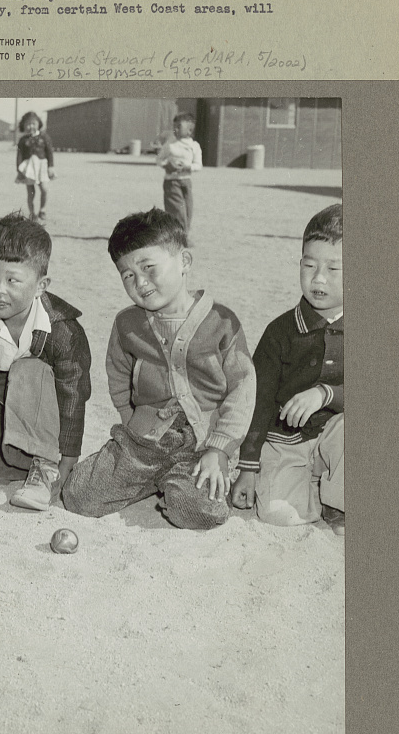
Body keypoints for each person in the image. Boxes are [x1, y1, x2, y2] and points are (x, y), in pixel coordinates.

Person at [62, 208, 256, 529]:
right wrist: (130, 424)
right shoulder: (127, 323)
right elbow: (118, 375)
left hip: (202, 443)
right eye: (127, 275)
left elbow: (242, 388)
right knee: (78, 495)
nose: (140, 282)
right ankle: (146, 477)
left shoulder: (222, 322)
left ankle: (178, 482)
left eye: (148, 267)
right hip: (145, 438)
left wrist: (219, 449)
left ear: (184, 262)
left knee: (199, 511)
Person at [0, 213, 91, 511]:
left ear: (41, 286)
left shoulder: (64, 331)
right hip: (0, 414)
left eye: (13, 280)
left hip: (45, 421)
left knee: (28, 369)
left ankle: (45, 467)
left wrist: (67, 463)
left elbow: (73, 399)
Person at [230, 204, 344, 533]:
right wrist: (248, 467)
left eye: (333, 269)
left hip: (339, 440)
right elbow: (259, 399)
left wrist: (325, 393)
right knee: (281, 516)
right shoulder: (280, 331)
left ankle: (340, 504)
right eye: (309, 265)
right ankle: (312, 486)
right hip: (288, 442)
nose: (318, 278)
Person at [156, 112, 202, 233]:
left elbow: (198, 165)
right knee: (177, 210)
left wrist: (188, 167)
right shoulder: (170, 145)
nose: (175, 129)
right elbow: (159, 159)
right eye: (174, 127)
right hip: (171, 182)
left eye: (179, 127)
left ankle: (182, 234)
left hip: (186, 181)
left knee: (187, 210)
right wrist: (167, 165)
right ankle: (181, 237)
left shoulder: (194, 146)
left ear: (189, 131)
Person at [15, 111, 55, 221]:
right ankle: (32, 214)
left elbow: (50, 153)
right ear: (23, 125)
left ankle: (43, 210)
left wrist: (51, 166)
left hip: (42, 166)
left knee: (44, 189)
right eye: (28, 124)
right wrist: (19, 170)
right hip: (29, 168)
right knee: (31, 192)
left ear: (38, 124)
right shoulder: (22, 140)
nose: (30, 126)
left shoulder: (44, 137)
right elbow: (19, 155)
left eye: (33, 123)